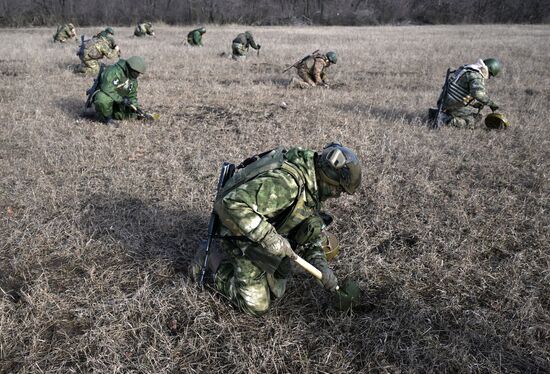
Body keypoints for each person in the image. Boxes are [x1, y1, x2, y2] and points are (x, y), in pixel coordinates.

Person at [191, 143, 362, 316]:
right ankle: (212, 256)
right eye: (338, 190)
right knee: (256, 306)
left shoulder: (312, 177)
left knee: (277, 288)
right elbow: (232, 204)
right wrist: (269, 237)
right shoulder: (287, 185)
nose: (337, 195)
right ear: (329, 178)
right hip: (237, 230)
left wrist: (321, 266)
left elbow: (308, 228)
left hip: (260, 226)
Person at [431, 58, 502, 128]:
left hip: (446, 100)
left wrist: (474, 104)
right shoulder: (476, 75)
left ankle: (438, 114)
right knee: (471, 122)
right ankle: (445, 119)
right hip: (453, 104)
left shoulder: (467, 69)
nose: (489, 77)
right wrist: (491, 104)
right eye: (490, 75)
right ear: (488, 69)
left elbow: (461, 91)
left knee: (477, 117)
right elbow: (478, 94)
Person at [89, 56, 147, 125]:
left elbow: (132, 95)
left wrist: (136, 108)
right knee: (102, 98)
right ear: (131, 68)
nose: (138, 75)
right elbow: (107, 89)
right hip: (108, 97)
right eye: (137, 73)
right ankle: (107, 118)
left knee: (130, 114)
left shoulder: (132, 79)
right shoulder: (113, 71)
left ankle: (138, 115)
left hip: (118, 103)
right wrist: (122, 100)